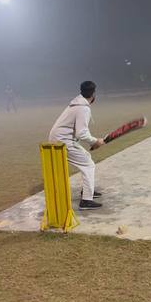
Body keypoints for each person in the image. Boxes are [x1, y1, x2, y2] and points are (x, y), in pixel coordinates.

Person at [49, 81, 104, 210]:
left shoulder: (77, 104)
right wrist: (95, 141)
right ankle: (86, 201)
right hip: (62, 141)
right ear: (93, 94)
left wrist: (93, 142)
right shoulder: (83, 108)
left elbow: (76, 131)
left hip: (60, 139)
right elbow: (82, 133)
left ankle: (87, 191)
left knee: (87, 158)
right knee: (88, 165)